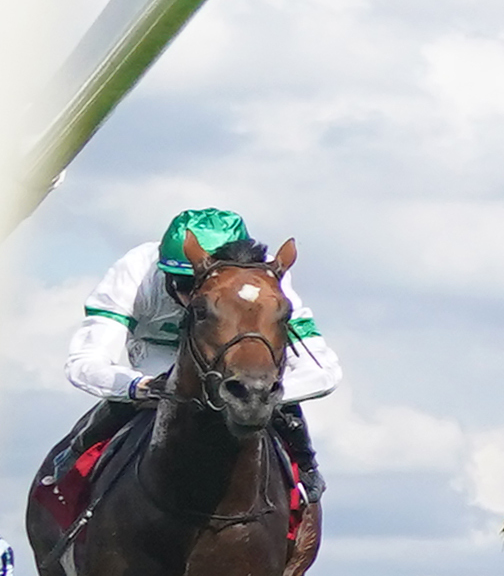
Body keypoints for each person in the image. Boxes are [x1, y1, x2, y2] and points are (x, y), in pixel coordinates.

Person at [48, 207, 341, 498]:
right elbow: (84, 363)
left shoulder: (264, 280)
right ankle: (74, 459)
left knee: (264, 389)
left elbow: (324, 371)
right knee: (140, 396)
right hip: (158, 352)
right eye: (184, 284)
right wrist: (137, 386)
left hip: (233, 360)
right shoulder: (134, 272)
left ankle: (306, 468)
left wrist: (263, 394)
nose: (192, 297)